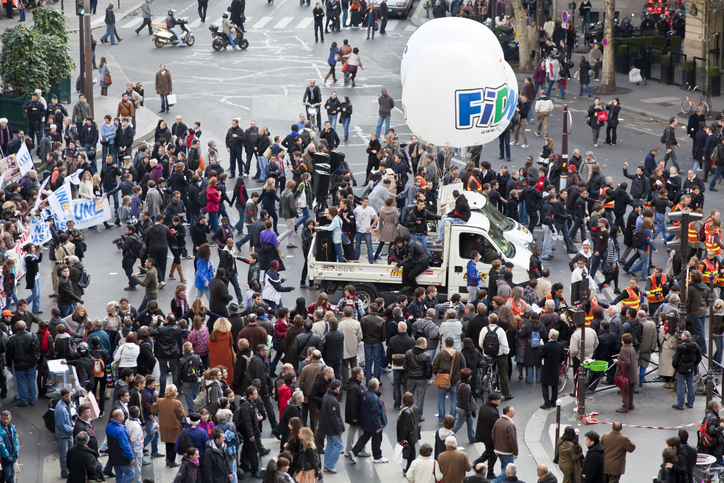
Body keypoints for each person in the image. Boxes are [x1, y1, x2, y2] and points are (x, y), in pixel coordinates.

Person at [349, 378, 387, 463]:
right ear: (376, 386)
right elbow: (375, 413)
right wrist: (378, 426)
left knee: (365, 437)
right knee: (377, 439)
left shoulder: (365, 393)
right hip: (373, 423)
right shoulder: (374, 398)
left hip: (366, 421)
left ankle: (354, 451)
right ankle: (377, 456)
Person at [6, 320, 39, 407]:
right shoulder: (32, 336)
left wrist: (9, 364)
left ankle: (23, 400)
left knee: (21, 382)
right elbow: (37, 350)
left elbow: (9, 353)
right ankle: (32, 399)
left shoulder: (13, 339)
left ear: (16, 328)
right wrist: (36, 360)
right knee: (31, 381)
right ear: (26, 327)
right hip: (31, 363)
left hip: (19, 364)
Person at [151, 384, 185, 468]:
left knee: (168, 443)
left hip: (164, 426)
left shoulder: (160, 401)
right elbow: (181, 415)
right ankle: (171, 461)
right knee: (173, 444)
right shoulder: (176, 402)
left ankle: (168, 459)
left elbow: (153, 409)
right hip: (174, 426)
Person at [318, 379, 344, 473]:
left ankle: (327, 464)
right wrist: (339, 430)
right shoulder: (332, 400)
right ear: (337, 388)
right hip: (332, 428)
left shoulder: (326, 395)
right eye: (339, 387)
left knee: (330, 445)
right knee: (340, 446)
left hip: (327, 426)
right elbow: (334, 418)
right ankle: (329, 465)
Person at [672, 330, 702, 410]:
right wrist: (694, 364)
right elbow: (699, 357)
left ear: (683, 337)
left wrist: (676, 367)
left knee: (681, 386)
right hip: (690, 368)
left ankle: (680, 404)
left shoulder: (680, 347)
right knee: (690, 385)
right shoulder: (695, 346)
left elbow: (675, 360)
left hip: (681, 369)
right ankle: (690, 403)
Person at [538, 328, 565, 409]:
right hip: (555, 367)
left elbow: (540, 355)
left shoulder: (546, 346)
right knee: (554, 385)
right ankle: (553, 402)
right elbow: (562, 357)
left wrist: (541, 346)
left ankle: (547, 403)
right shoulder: (560, 345)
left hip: (546, 367)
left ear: (549, 336)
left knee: (545, 385)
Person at [491, 405, 518, 483]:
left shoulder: (498, 421)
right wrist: (515, 453)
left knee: (504, 467)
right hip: (507, 452)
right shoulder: (510, 425)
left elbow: (493, 435)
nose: (514, 412)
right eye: (512, 411)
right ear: (507, 413)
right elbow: (512, 440)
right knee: (507, 471)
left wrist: (495, 448)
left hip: (499, 450)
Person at [55, 388, 74, 479]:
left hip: (68, 433)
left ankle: (69, 469)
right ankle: (64, 472)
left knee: (70, 453)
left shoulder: (67, 404)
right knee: (64, 454)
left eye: (69, 395)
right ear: (62, 396)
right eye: (66, 396)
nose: (68, 398)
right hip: (63, 434)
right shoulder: (61, 409)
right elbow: (62, 425)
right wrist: (73, 429)